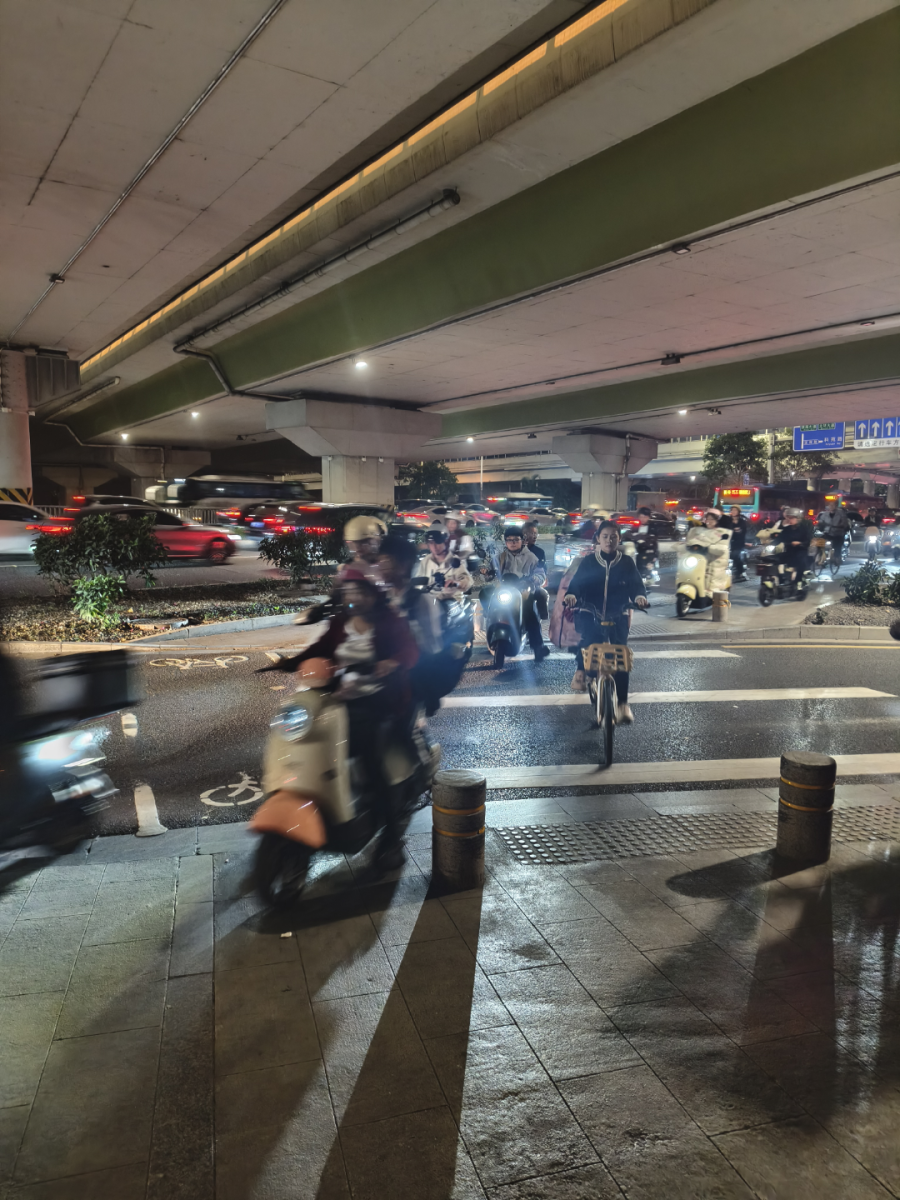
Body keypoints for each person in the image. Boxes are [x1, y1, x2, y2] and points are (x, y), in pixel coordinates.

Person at [292, 572, 419, 870]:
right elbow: (320, 648)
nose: (354, 597)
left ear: (373, 594)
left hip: (381, 700)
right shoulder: (340, 623)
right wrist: (292, 662)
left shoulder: (390, 621)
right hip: (342, 699)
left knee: (371, 762)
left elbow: (410, 650)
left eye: (360, 591)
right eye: (349, 591)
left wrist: (391, 663)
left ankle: (391, 839)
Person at [561, 521, 648, 721]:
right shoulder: (589, 561)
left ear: (619, 539)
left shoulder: (626, 562)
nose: (609, 540)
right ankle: (583, 672)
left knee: (621, 657)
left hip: (619, 614)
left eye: (613, 537)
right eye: (605, 536)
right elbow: (577, 584)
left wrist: (639, 597)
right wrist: (572, 595)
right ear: (598, 539)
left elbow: (636, 585)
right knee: (588, 645)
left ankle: (623, 704)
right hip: (590, 612)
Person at [482, 527, 549, 661]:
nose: (512, 543)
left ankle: (538, 647)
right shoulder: (500, 557)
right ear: (505, 542)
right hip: (504, 591)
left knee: (530, 614)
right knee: (485, 595)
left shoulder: (531, 557)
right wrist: (486, 573)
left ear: (522, 541)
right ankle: (490, 625)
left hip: (523, 592)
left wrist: (535, 579)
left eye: (516, 540)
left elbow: (541, 574)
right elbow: (490, 573)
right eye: (509, 540)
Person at [419, 529, 474, 597]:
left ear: (445, 542)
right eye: (431, 543)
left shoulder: (454, 560)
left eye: (438, 542)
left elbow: (468, 581)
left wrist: (457, 583)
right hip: (429, 599)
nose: (434, 546)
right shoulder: (425, 560)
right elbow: (417, 580)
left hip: (451, 599)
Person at [338, 514, 388, 585]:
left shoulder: (385, 567)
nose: (357, 547)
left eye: (363, 541)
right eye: (353, 542)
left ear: (376, 540)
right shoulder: (347, 569)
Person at [522, 521, 550, 620]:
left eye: (535, 534)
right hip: (515, 584)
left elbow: (542, 571)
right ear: (523, 534)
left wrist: (536, 579)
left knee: (542, 594)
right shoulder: (514, 550)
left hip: (532, 584)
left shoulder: (539, 552)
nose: (534, 536)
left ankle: (540, 620)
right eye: (531, 533)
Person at [780, 508, 812, 580]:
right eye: (788, 518)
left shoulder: (804, 529)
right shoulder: (787, 529)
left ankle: (798, 580)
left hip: (801, 550)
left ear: (798, 518)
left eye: (792, 518)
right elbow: (780, 538)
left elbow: (808, 540)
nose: (789, 520)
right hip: (789, 550)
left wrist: (800, 543)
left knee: (800, 560)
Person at [722, 505, 749, 581]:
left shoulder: (742, 521)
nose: (733, 512)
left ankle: (740, 572)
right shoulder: (727, 520)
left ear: (738, 512)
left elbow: (742, 531)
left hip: (738, 543)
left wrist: (737, 531)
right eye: (732, 510)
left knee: (735, 555)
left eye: (735, 510)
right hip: (727, 541)